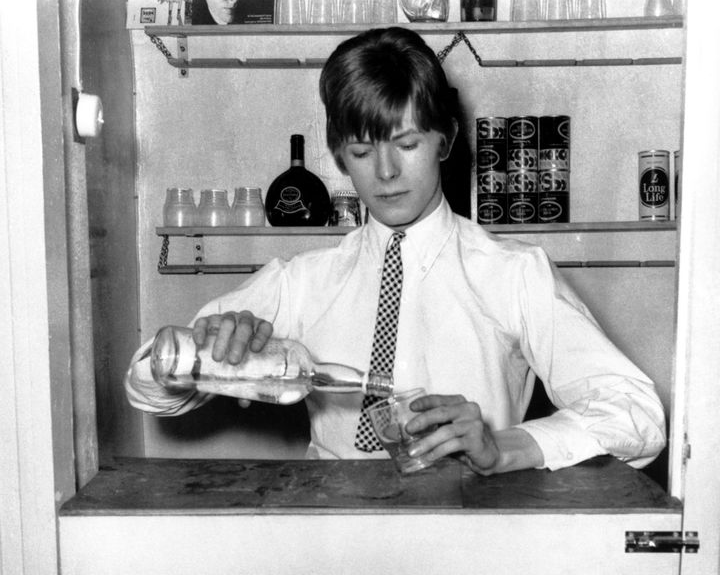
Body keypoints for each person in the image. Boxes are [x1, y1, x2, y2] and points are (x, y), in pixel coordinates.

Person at [126, 27, 666, 475]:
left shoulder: (514, 274)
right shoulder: (300, 282)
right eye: (362, 151)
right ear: (339, 156)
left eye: (407, 145)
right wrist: (199, 355)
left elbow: (638, 414)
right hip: (332, 540)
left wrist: (505, 447)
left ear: (445, 141)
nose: (385, 173)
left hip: (471, 534)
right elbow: (147, 386)